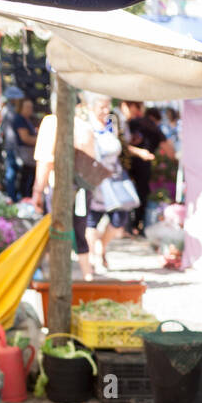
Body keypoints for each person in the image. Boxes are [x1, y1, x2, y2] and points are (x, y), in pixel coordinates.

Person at [32, 99, 96, 281]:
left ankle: (57, 275)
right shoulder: (84, 126)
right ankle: (87, 274)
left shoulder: (51, 123)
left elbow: (45, 161)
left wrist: (37, 190)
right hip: (82, 187)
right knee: (78, 231)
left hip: (61, 187)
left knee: (57, 230)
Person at [84, 94, 128, 273]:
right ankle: (94, 255)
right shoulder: (87, 125)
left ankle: (101, 246)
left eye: (107, 107)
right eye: (102, 107)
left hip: (114, 179)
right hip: (94, 179)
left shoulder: (112, 123)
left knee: (119, 218)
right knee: (92, 218)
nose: (105, 111)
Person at [120, 99, 172, 236]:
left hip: (129, 166)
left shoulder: (132, 123)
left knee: (130, 196)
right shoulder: (150, 126)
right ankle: (135, 225)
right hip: (141, 166)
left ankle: (129, 227)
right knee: (140, 195)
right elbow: (169, 150)